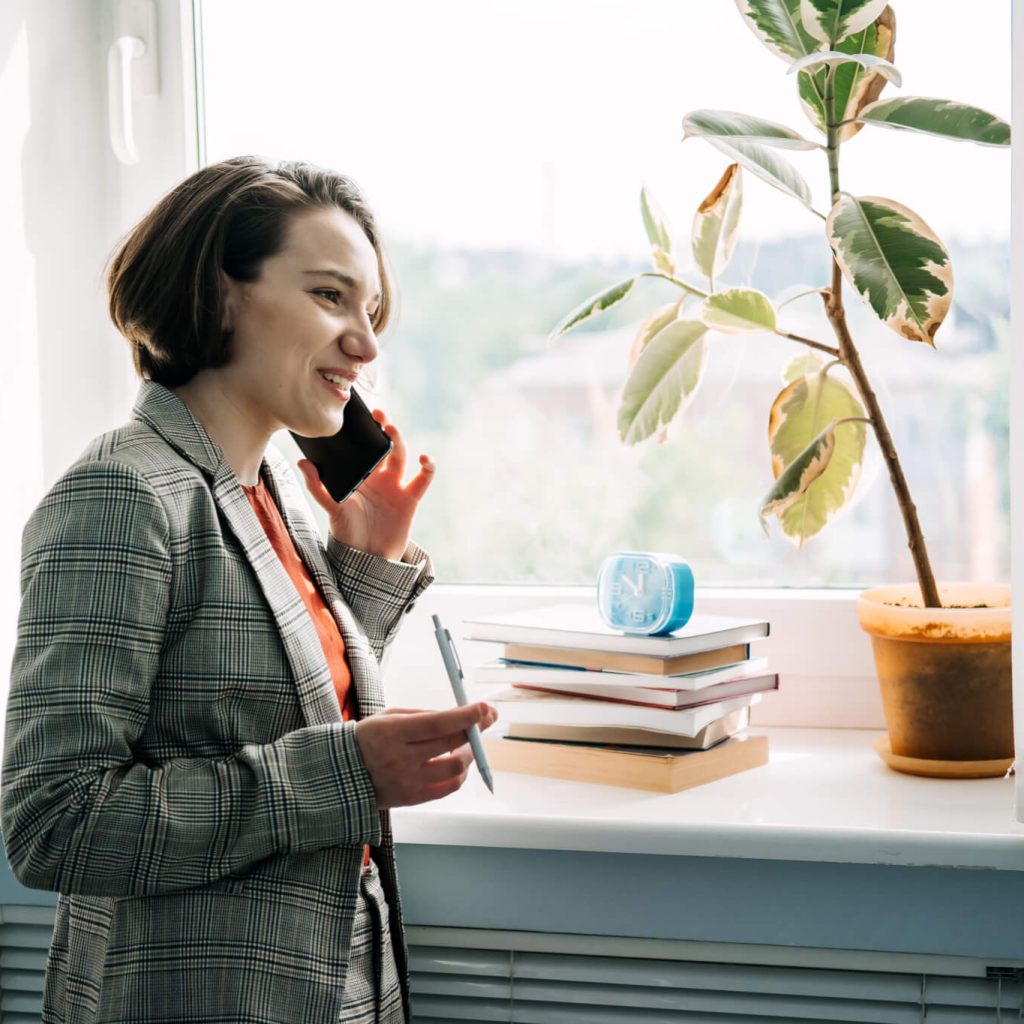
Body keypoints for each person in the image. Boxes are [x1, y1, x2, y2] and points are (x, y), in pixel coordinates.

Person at [1, 155, 498, 1024]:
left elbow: (261, 703)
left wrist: (364, 572)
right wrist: (348, 770)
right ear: (223, 293)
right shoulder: (122, 496)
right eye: (331, 297)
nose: (367, 342)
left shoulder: (268, 492)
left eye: (372, 311)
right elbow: (56, 821)